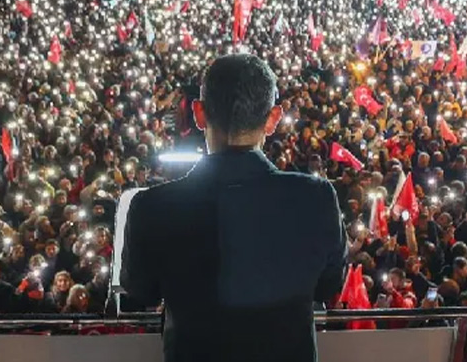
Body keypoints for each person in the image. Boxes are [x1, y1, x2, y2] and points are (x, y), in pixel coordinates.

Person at [122, 54, 346, 362]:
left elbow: (140, 291)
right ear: (273, 119)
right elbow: (327, 287)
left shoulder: (151, 207)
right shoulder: (316, 198)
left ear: (199, 115)